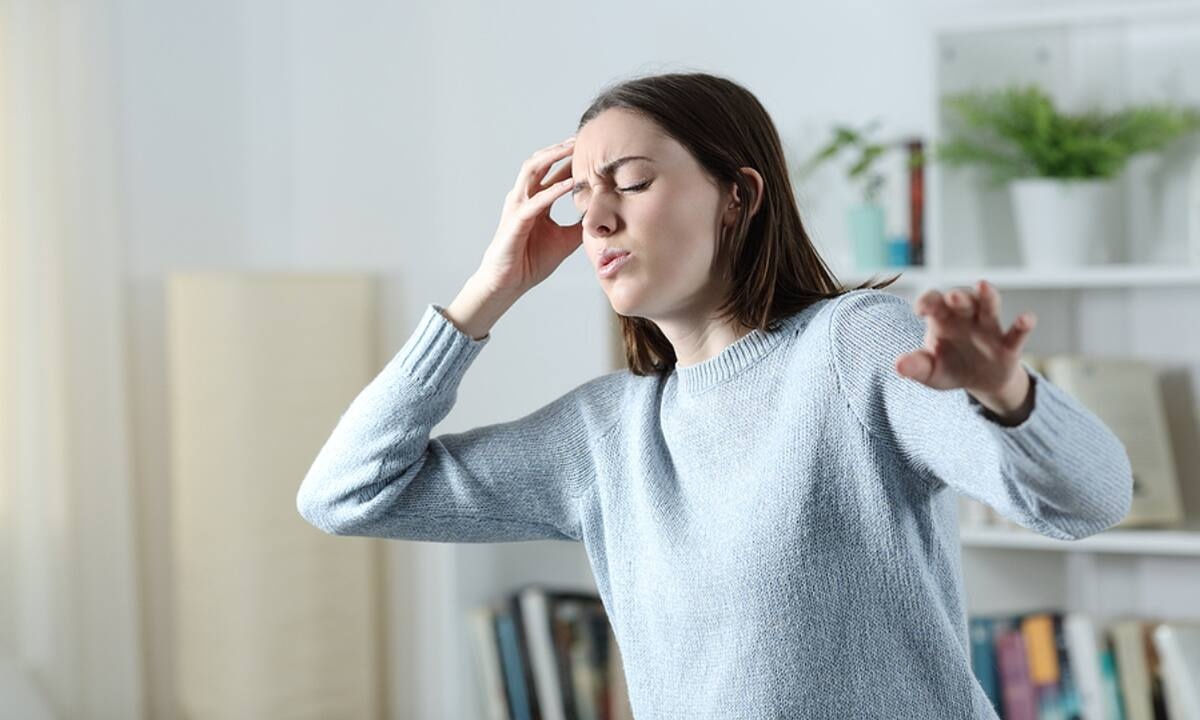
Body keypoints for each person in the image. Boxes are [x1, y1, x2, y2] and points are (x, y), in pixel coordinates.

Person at [296, 71, 1133, 719]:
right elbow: (346, 494)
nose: (595, 219)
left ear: (738, 194)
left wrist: (1006, 392)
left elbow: (1088, 501)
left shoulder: (850, 346)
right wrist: (489, 288)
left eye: (629, 180)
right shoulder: (605, 435)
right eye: (582, 195)